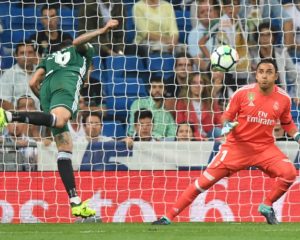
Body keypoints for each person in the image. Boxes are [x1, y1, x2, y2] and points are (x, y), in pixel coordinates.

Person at [152, 59, 300, 225]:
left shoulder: (283, 99)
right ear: (256, 75)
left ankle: (266, 205)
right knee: (202, 183)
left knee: (290, 173)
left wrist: (297, 136)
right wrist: (228, 125)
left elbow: (287, 122)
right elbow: (225, 117)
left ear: (276, 76)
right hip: (236, 147)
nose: (264, 76)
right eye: (261, 72)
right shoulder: (242, 94)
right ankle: (168, 217)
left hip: (264, 149)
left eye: (269, 72)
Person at [0, 19, 119, 218]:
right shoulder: (80, 52)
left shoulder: (49, 57)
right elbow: (78, 42)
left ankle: (76, 203)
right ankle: (8, 115)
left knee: (65, 148)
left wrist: (46, 108)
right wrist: (104, 29)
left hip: (48, 90)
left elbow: (32, 82)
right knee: (62, 121)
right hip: (67, 82)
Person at [249, 21, 300, 105]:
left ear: (273, 37)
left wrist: (297, 95)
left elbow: (295, 76)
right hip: (257, 99)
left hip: (278, 98)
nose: (265, 38)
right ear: (257, 37)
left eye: (268, 34)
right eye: (262, 35)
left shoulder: (282, 53)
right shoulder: (251, 54)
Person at [128, 75, 177, 140]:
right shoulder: (138, 104)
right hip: (138, 142)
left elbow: (172, 136)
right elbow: (133, 129)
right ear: (149, 90)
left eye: (160, 87)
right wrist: (156, 137)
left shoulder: (167, 115)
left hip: (159, 147)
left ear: (165, 91)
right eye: (154, 87)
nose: (157, 90)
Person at [175, 72, 222, 139]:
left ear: (205, 85)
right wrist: (200, 137)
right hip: (191, 136)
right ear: (189, 85)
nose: (198, 86)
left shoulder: (211, 102)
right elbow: (180, 124)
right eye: (194, 83)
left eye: (201, 83)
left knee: (218, 131)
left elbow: (220, 122)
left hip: (210, 136)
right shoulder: (182, 102)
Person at [0, 41, 40, 110]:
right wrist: (21, 115)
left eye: (30, 53)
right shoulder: (8, 75)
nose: (26, 56)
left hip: (43, 116)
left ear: (35, 55)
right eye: (22, 53)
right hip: (18, 117)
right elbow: (3, 102)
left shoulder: (41, 72)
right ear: (16, 56)